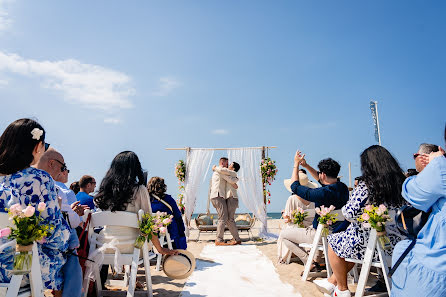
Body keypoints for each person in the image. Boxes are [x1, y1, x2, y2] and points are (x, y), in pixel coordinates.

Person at [314, 145, 406, 297]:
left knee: (334, 241)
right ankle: (331, 282)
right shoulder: (402, 183)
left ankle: (342, 290)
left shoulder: (367, 185)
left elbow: (348, 213)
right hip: (399, 245)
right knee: (349, 245)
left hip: (374, 246)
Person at [0, 118, 70, 297]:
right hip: (18, 270)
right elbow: (55, 237)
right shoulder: (39, 179)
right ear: (38, 146)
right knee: (70, 262)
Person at [391, 128, 446, 297]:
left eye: (416, 156)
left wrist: (436, 163)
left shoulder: (438, 170)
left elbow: (411, 192)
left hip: (433, 268)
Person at [278, 152, 349, 270]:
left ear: (323, 175)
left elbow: (294, 186)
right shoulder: (343, 188)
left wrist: (296, 164)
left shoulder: (320, 193)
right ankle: (316, 260)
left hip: (321, 235)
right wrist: (306, 166)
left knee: (284, 235)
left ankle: (309, 262)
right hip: (339, 233)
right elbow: (322, 179)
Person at [37, 148, 85, 297]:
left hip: (7, 255)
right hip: (40, 259)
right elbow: (72, 223)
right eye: (63, 167)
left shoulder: (8, 183)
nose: (63, 171)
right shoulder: (54, 189)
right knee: (70, 247)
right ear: (51, 164)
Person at [278, 171, 318, 263]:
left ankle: (306, 259)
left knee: (283, 234)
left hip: (297, 228)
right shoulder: (314, 199)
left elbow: (287, 219)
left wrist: (283, 213)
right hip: (311, 228)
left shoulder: (292, 199)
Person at [147, 176, 187, 249]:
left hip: (152, 235)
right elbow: (178, 216)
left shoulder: (147, 201)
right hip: (169, 234)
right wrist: (182, 232)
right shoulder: (168, 199)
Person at [209, 157, 240, 246]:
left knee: (227, 219)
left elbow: (231, 178)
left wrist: (235, 182)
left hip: (226, 197)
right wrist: (234, 182)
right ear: (222, 163)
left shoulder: (227, 172)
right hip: (218, 195)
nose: (228, 166)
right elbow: (230, 179)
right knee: (224, 218)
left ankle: (235, 238)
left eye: (229, 164)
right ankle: (219, 239)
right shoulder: (220, 171)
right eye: (227, 164)